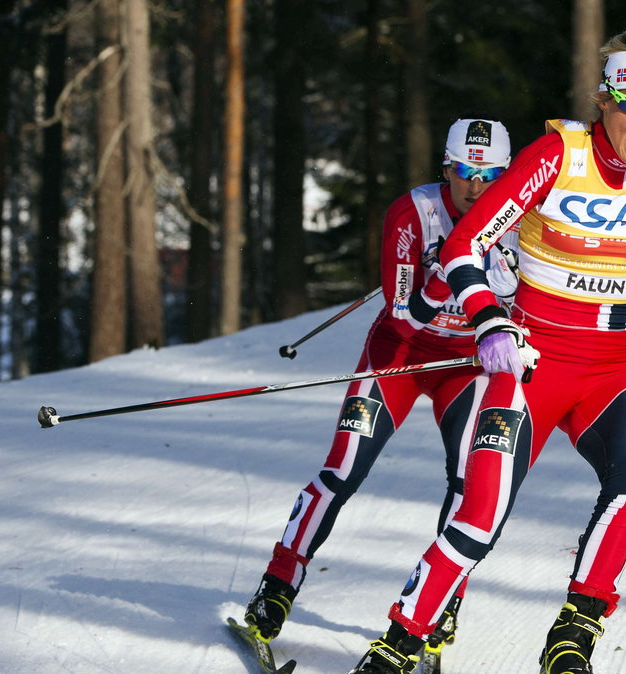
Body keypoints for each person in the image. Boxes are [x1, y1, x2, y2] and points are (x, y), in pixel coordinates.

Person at [345, 25, 626, 674]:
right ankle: (401, 640)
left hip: (616, 369)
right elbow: (466, 245)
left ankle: (574, 633)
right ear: (606, 100)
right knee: (481, 514)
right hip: (533, 364)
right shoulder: (556, 158)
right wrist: (490, 324)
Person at [241, 117, 521, 666]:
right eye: (465, 170)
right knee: (342, 469)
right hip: (401, 355)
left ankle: (440, 606)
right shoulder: (411, 214)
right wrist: (448, 275)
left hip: (467, 364)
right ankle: (277, 586)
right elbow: (403, 313)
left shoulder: (523, 219)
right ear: (446, 167)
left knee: (470, 482)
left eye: (489, 174)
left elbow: (533, 299)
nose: (475, 186)